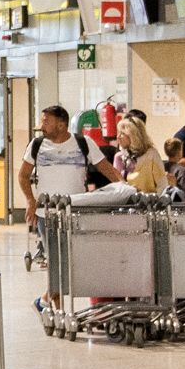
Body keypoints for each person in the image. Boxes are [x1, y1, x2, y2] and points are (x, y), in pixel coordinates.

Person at [16, 104, 119, 268]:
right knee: (55, 263)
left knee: (74, 262)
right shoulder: (36, 144)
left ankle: (51, 294)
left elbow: (108, 169)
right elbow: (23, 175)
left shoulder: (83, 142)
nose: (42, 127)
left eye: (46, 122)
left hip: (75, 211)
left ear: (61, 124)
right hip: (46, 213)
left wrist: (125, 189)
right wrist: (30, 200)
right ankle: (53, 293)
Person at [115, 118, 166, 193]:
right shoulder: (118, 157)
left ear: (134, 136)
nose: (118, 137)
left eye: (122, 133)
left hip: (149, 202)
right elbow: (116, 186)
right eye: (118, 133)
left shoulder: (151, 154)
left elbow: (162, 185)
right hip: (126, 202)